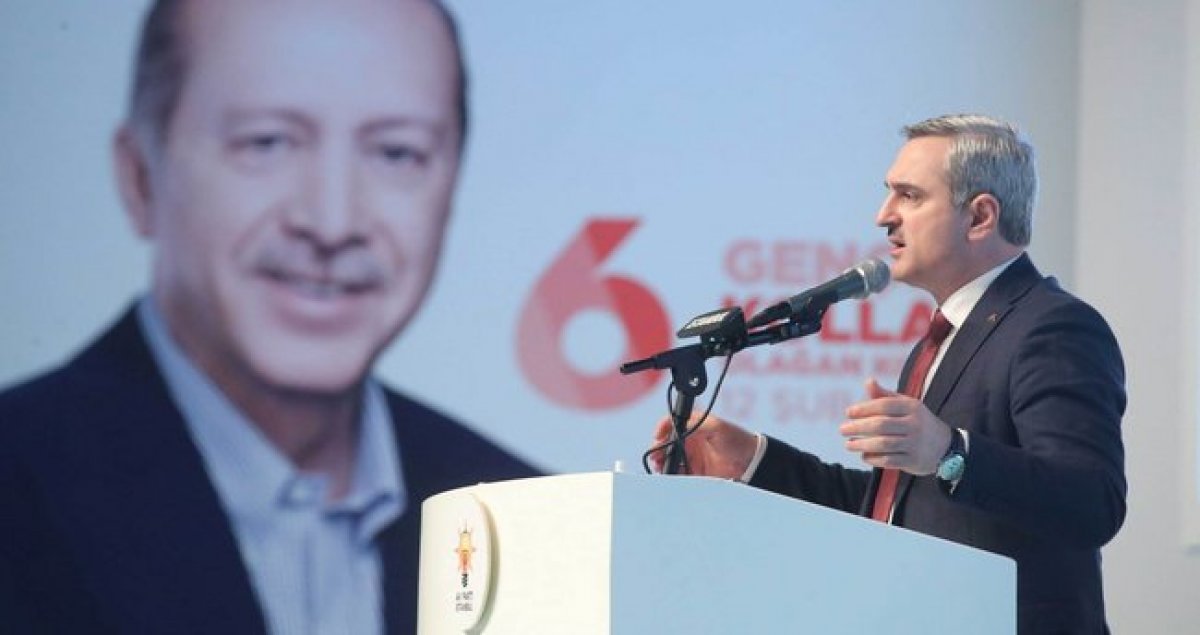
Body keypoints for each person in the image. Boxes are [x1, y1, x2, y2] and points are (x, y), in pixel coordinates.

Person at [0, 1, 540, 633]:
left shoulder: (524, 521)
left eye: (397, 153)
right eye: (267, 143)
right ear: (140, 176)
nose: (332, 222)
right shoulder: (18, 487)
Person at [651, 114, 1126, 634]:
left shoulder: (1052, 326)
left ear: (980, 216)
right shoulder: (942, 339)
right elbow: (897, 510)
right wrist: (755, 460)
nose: (883, 216)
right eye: (889, 193)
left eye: (909, 196)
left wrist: (949, 452)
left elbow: (1091, 503)